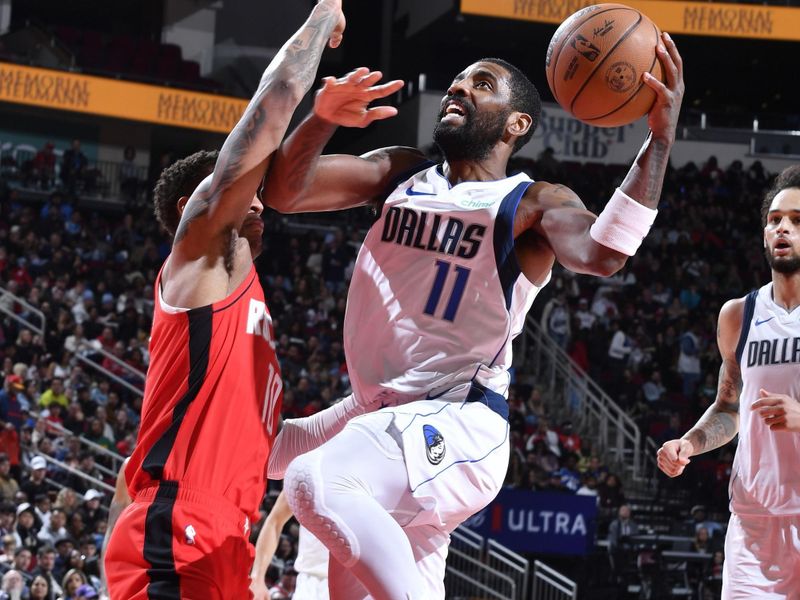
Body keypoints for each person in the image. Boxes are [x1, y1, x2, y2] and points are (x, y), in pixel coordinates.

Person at [266, 32, 684, 597]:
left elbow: (602, 253)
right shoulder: (402, 174)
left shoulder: (531, 202)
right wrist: (319, 118)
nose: (458, 88)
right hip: (377, 415)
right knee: (259, 450)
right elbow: (286, 193)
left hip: (457, 416)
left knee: (316, 479)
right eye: (458, 81)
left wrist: (658, 139)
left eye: (481, 85)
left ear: (517, 125)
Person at [102, 2, 352, 598]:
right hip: (183, 528)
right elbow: (272, 105)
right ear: (202, 206)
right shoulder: (202, 255)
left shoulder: (245, 303)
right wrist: (324, 16)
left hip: (215, 535)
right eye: (244, 193)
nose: (259, 201)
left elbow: (265, 450)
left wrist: (373, 404)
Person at [657, 164, 800, 599]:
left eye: (797, 221)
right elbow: (728, 406)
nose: (783, 228)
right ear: (762, 235)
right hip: (754, 522)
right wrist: (691, 443)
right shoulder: (739, 315)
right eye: (774, 220)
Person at [250, 490, 333, 600]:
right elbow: (275, 521)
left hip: (355, 582)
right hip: (311, 581)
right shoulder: (307, 474)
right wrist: (257, 578)